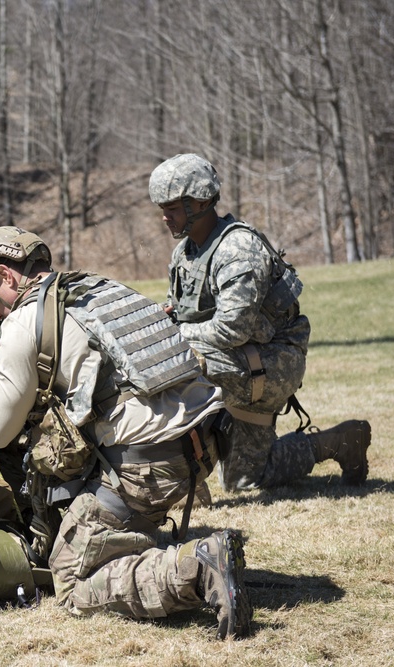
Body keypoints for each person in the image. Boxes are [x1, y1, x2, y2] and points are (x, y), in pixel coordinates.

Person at [0, 226, 253, 639]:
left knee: (70, 579)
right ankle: (143, 540)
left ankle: (198, 568)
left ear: (6, 277)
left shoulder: (24, 323)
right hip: (206, 441)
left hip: (150, 465)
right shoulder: (101, 290)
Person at [149, 153, 371, 492]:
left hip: (274, 362)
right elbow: (185, 310)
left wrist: (174, 334)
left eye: (173, 208)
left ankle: (184, 475)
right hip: (239, 360)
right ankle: (338, 442)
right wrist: (169, 317)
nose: (165, 217)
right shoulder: (186, 253)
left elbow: (230, 329)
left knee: (176, 359)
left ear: (203, 202)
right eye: (162, 208)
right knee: (245, 481)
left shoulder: (237, 251)